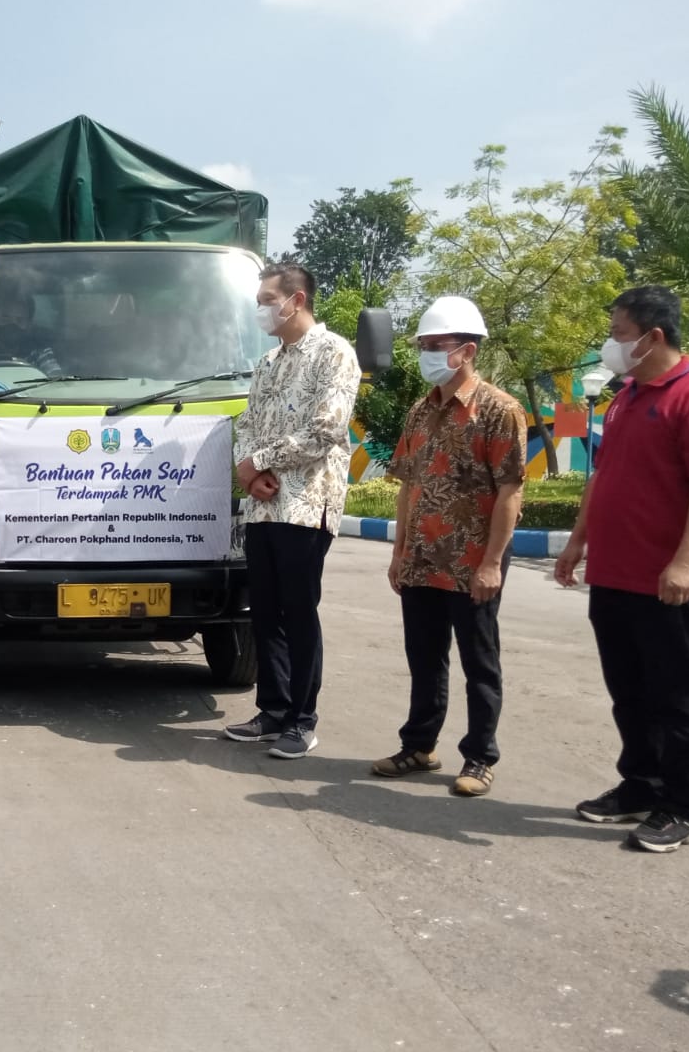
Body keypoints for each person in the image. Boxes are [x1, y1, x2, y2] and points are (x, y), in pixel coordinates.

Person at [555, 284, 689, 852]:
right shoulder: (627, 396)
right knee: (628, 693)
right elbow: (602, 477)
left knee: (674, 699)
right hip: (613, 575)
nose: (610, 344)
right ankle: (640, 785)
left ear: (653, 337)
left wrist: (684, 560)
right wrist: (577, 542)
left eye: (618, 333)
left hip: (667, 582)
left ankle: (683, 807)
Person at [372, 297, 526, 797]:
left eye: (436, 345)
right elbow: (408, 487)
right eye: (423, 345)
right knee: (424, 659)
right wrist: (398, 553)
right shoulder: (421, 412)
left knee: (479, 663)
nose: (427, 354)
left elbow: (510, 490)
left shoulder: (500, 410)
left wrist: (492, 563)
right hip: (421, 559)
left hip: (472, 562)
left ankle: (480, 757)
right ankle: (419, 746)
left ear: (467, 350)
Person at [225, 263, 361, 759]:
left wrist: (260, 461)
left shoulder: (334, 353)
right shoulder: (268, 363)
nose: (261, 309)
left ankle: (302, 720)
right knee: (264, 612)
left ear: (296, 300)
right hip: (262, 507)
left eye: (267, 299)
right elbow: (246, 423)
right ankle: (272, 710)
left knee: (299, 612)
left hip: (306, 506)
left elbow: (327, 429)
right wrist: (249, 470)